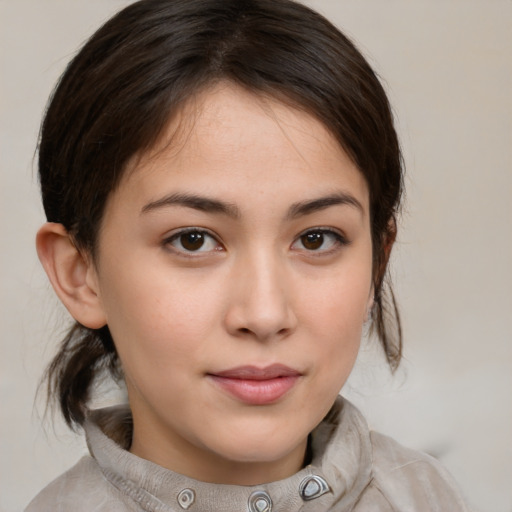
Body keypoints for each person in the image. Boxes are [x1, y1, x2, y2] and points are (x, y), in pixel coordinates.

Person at [26, 0, 471, 510]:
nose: (264, 314)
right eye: (192, 239)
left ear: (377, 262)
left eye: (316, 238)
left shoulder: (429, 497)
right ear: (80, 274)